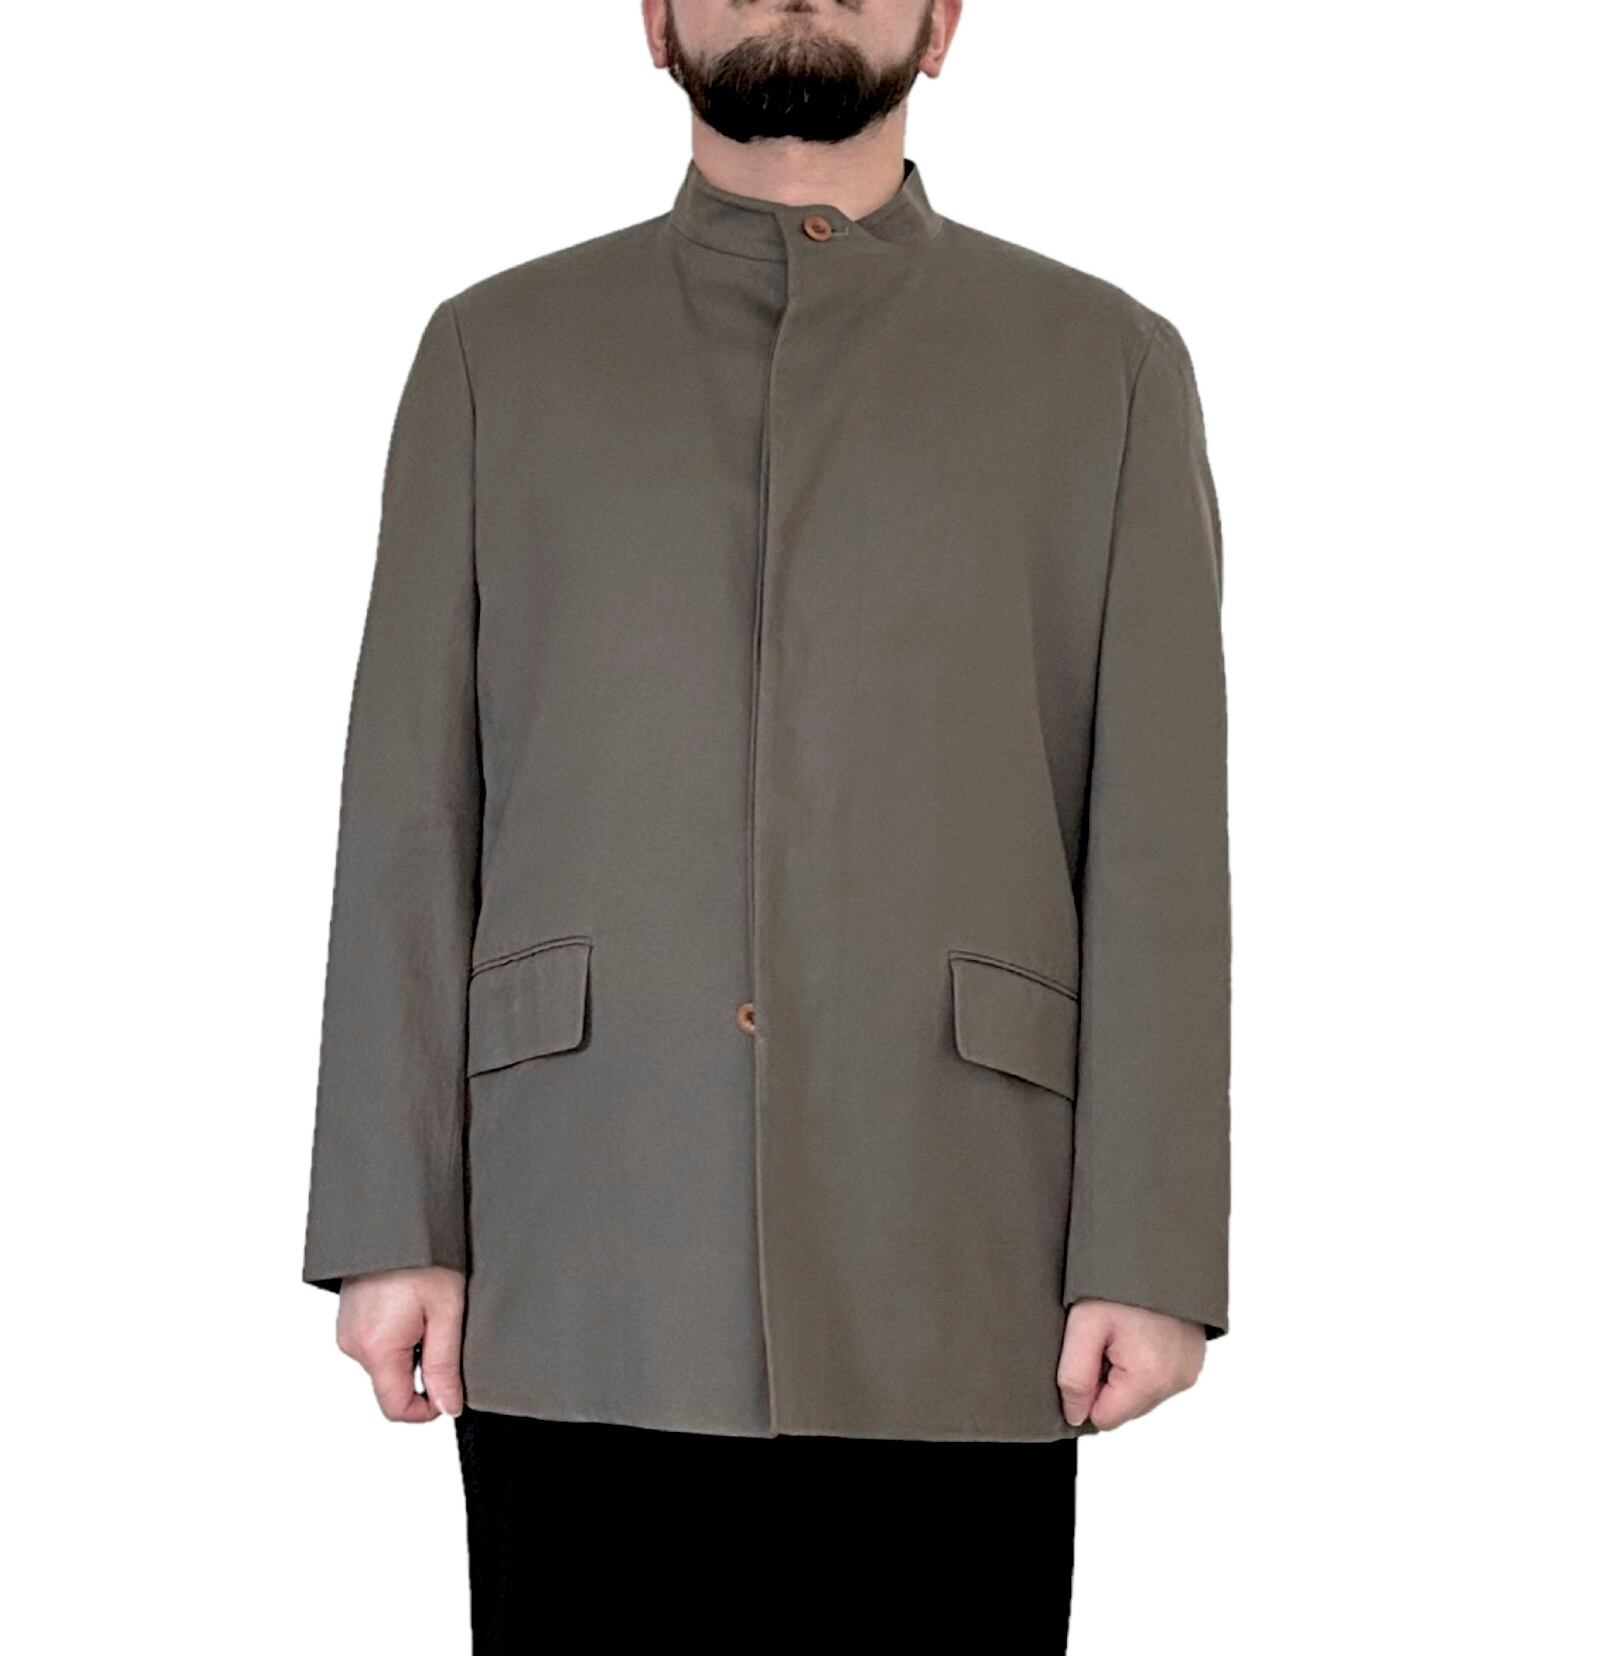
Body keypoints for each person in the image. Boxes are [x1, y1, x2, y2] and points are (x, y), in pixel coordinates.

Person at [302, 3, 1230, 1648]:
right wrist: (393, 1219)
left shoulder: (1110, 370)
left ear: (945, 23)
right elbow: (409, 816)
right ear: (653, 16)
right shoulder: (490, 357)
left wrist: (1149, 1245)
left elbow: (1157, 842)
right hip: (579, 1245)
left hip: (961, 1247)